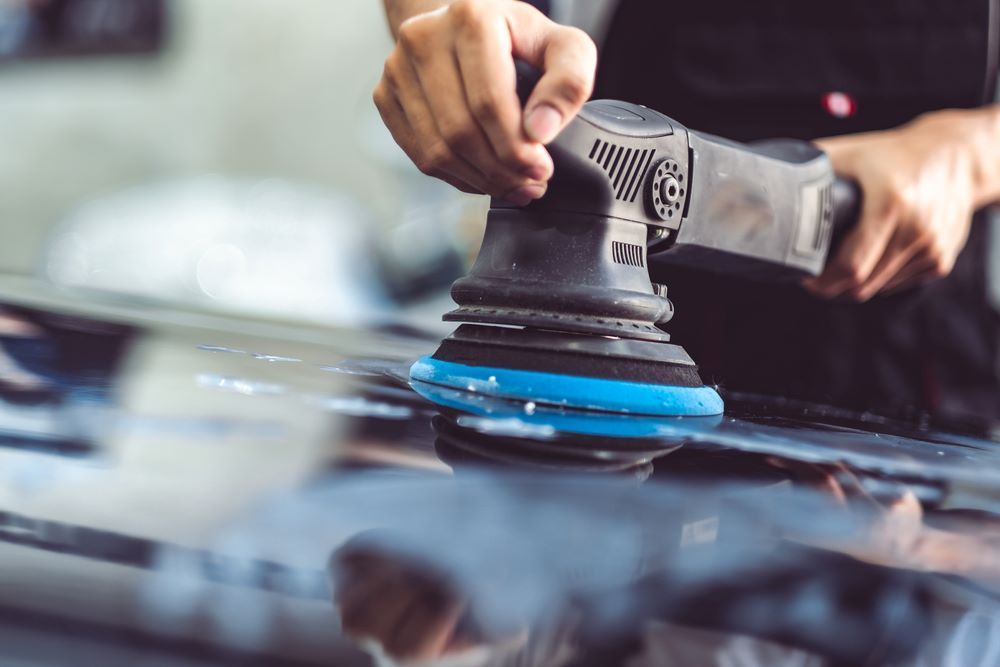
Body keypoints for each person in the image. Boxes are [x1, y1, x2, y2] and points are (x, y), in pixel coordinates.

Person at [375, 0, 1000, 420]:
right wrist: (450, 31)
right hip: (624, 333)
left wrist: (971, 155)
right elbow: (468, 17)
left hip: (909, 345)